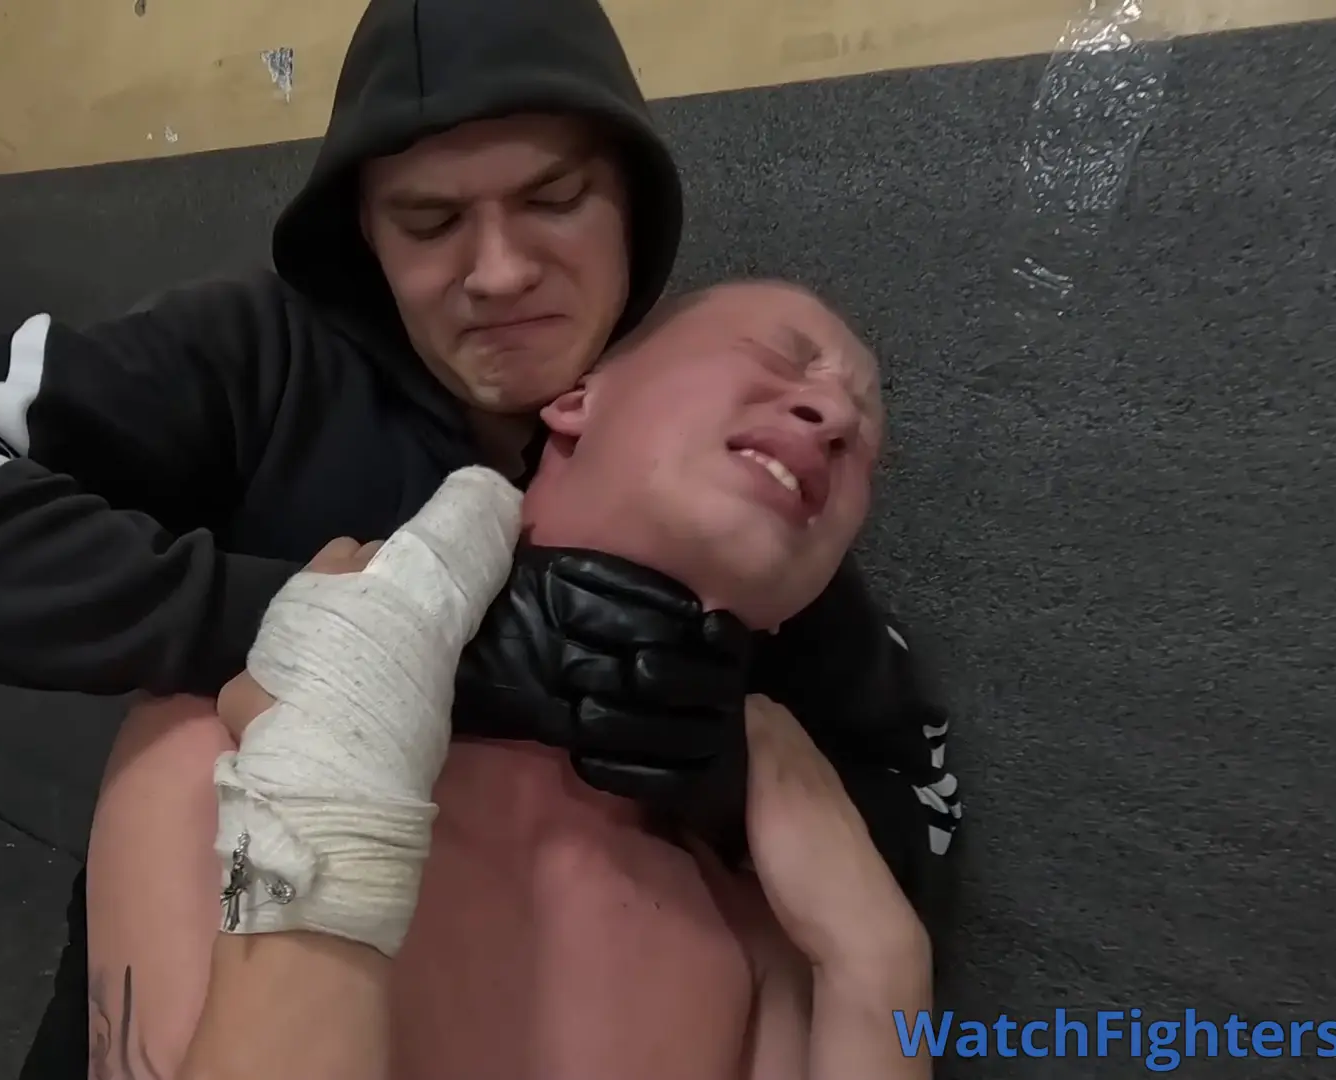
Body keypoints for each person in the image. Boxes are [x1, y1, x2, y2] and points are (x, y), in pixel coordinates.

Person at [0, 0, 961, 1071]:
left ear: (632, 208)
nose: (499, 273)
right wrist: (351, 644)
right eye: (429, 222)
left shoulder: (734, 483)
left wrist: (712, 764)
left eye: (554, 200)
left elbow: (916, 814)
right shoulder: (255, 358)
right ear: (364, 235)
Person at [88, 282, 930, 1080]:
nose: (835, 420)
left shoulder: (767, 918)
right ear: (576, 401)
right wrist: (331, 786)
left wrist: (880, 960)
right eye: (782, 356)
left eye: (863, 445)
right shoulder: (226, 755)